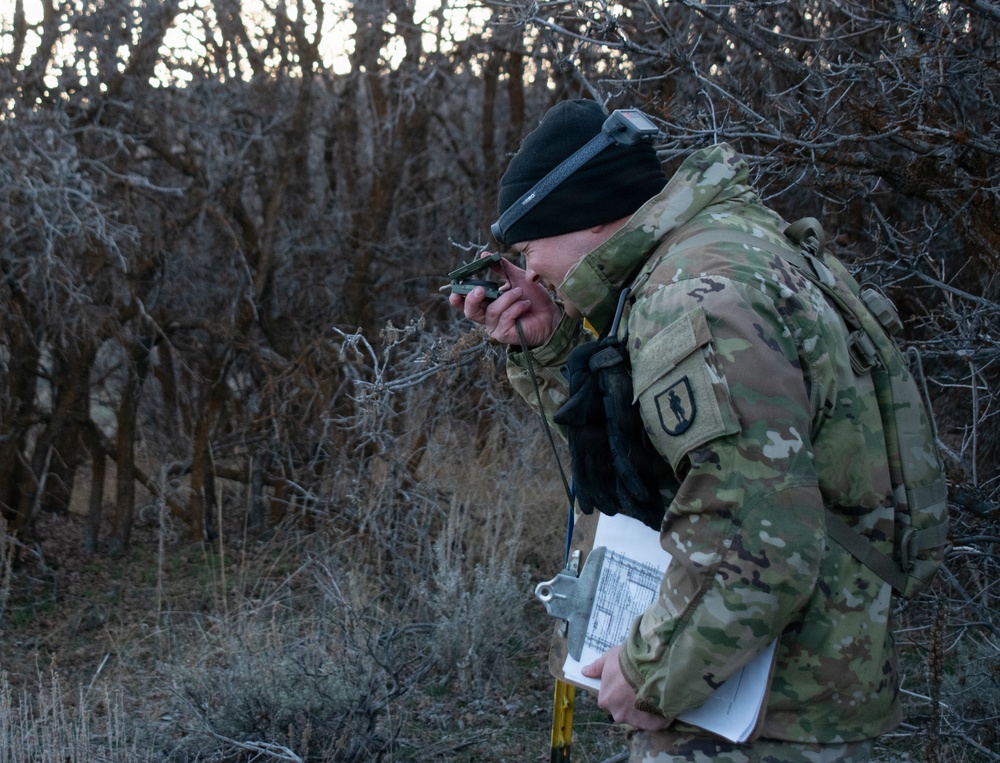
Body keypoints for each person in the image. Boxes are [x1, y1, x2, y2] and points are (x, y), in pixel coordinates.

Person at [450, 99, 901, 763]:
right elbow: (646, 461)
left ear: (587, 211)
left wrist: (650, 672)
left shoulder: (698, 296)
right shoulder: (706, 254)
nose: (529, 270)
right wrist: (552, 344)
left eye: (528, 248)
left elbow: (758, 538)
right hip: (773, 684)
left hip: (762, 708)